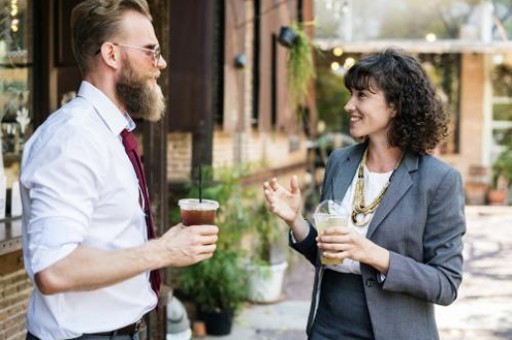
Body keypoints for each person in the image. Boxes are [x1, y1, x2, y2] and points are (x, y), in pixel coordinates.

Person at [20, 1, 219, 339]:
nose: (162, 63)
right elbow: (53, 270)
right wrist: (165, 250)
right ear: (111, 55)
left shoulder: (108, 133)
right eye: (150, 51)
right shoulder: (73, 138)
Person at [263, 48, 466, 339]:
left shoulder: (439, 180)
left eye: (361, 95)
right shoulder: (339, 162)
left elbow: (445, 284)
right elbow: (327, 254)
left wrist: (373, 254)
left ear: (394, 106)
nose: (349, 105)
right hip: (328, 328)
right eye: (351, 94)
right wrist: (295, 220)